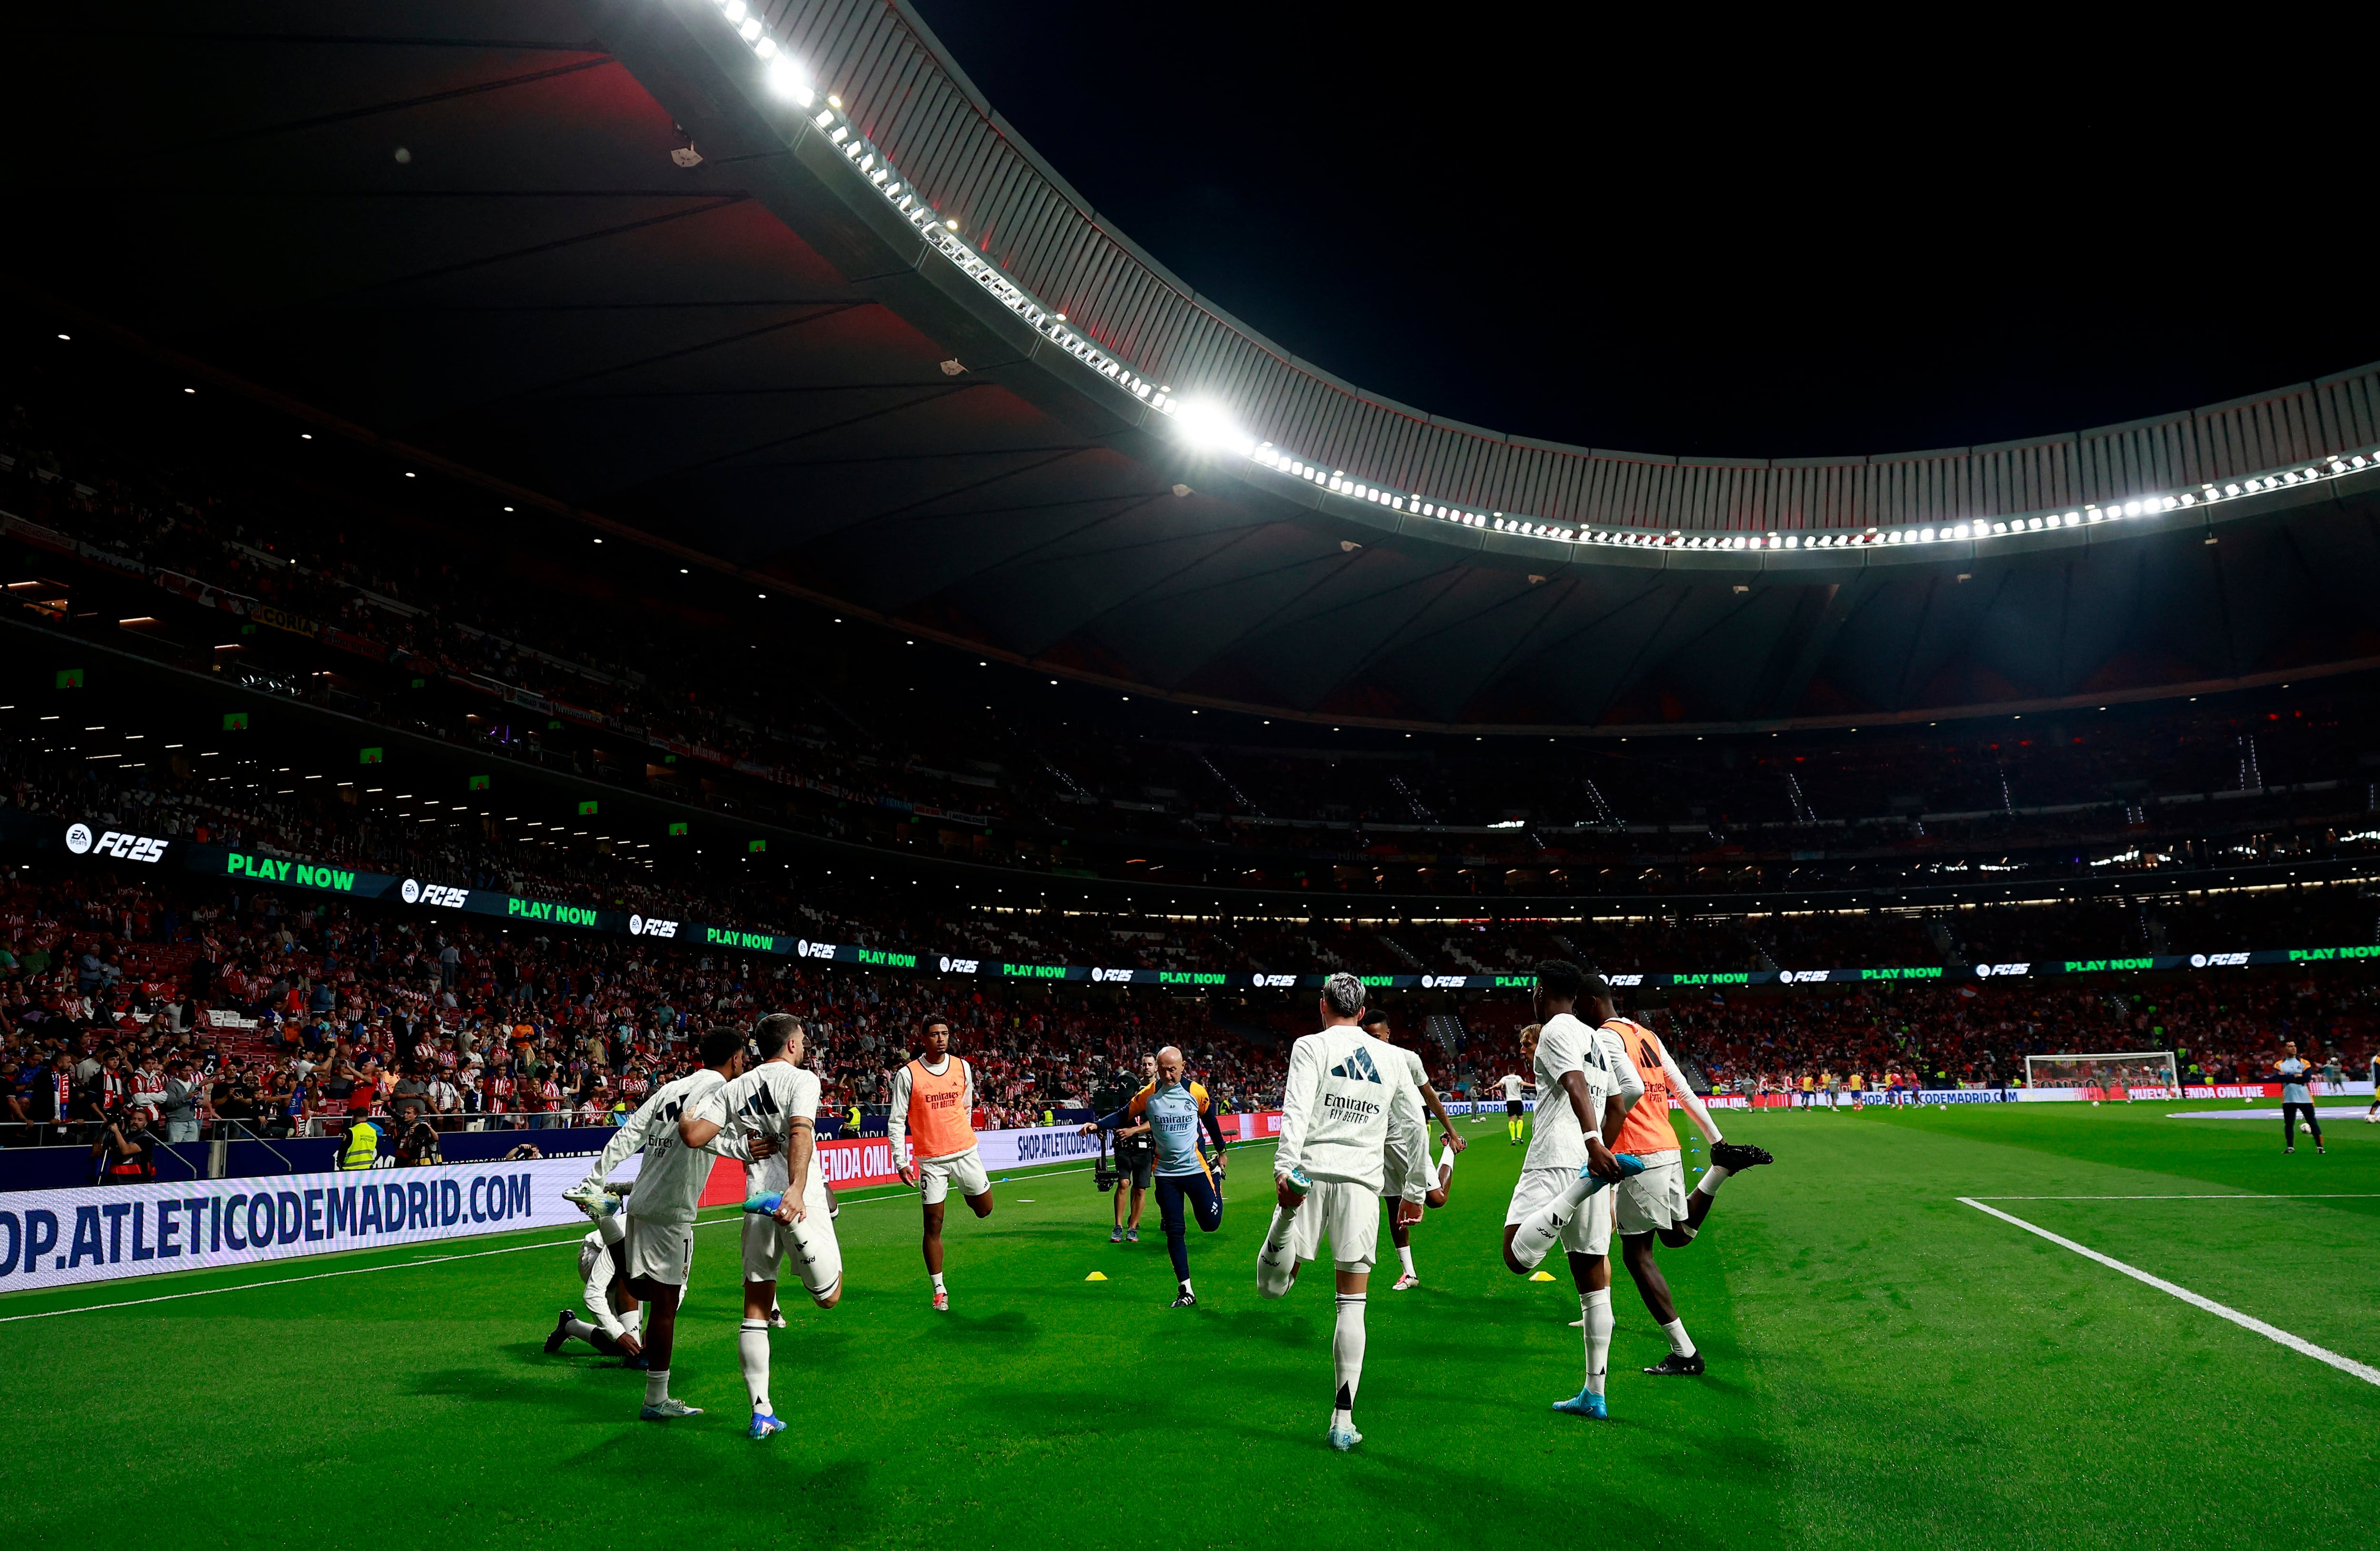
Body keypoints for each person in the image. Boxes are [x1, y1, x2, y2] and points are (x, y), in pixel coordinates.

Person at [1255, 972, 1428, 1452]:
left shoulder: (1310, 1046)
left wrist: (1285, 1168)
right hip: (1360, 1185)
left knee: (1271, 1289)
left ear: (1322, 1005)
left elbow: (1295, 1109)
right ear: (1362, 1007)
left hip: (1309, 1174)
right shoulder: (1393, 1058)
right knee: (1351, 1304)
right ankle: (1342, 1419)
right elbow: (1415, 1127)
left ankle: (1288, 1216)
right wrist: (1414, 1189)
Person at [573, 1025, 770, 1421]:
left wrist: (594, 1177)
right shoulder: (723, 1092)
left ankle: (606, 1216)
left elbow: (629, 1133)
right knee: (665, 1307)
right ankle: (656, 1401)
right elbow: (707, 1139)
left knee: (639, 1284)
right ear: (735, 1058)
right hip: (672, 1211)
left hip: (643, 1204)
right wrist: (743, 1150)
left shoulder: (670, 1089)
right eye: (742, 1058)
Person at [1499, 961, 1646, 1421]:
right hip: (1591, 1159)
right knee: (1592, 1284)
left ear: (1541, 991)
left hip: (1559, 1158)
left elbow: (1574, 1083)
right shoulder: (1597, 1038)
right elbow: (1625, 1097)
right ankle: (1595, 1394)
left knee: (1515, 1256)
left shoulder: (1556, 1030)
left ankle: (1584, 1186)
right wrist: (1603, 1146)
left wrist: (1591, 1146)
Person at [695, 1013, 843, 1442]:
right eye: (803, 1039)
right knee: (829, 1296)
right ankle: (795, 1226)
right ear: (793, 1045)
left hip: (755, 1196)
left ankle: (761, 1411)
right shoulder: (804, 1080)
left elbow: (695, 1135)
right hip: (797, 1197)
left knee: (756, 1305)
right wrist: (795, 1189)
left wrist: (734, 1144)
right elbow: (800, 1133)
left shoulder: (736, 1085)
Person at [1606, 1007, 1774, 1376]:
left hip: (1636, 1150)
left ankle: (1685, 1353)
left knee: (1637, 1255)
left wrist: (1599, 1142)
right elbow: (1681, 1087)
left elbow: (1626, 1092)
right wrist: (1717, 1141)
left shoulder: (1605, 1036)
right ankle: (1719, 1171)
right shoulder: (1647, 1036)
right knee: (1676, 1235)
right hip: (1667, 1145)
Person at [1084, 1045, 1228, 1306]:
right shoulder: (1148, 1095)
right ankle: (1186, 1290)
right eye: (1162, 1070)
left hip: (1196, 1170)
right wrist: (1098, 1124)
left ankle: (1216, 1177)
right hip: (1166, 1174)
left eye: (1172, 1069)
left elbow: (1210, 1120)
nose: (1167, 1075)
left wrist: (1221, 1151)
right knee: (1175, 1232)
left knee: (1210, 1224)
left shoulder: (1196, 1092)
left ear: (1183, 1066)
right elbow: (1123, 1114)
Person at [887, 1015, 993, 1312]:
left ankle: (963, 1188)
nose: (941, 1039)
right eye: (934, 1034)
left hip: (964, 1153)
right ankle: (939, 1289)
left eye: (945, 1033)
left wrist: (961, 1133)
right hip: (931, 1160)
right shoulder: (908, 1075)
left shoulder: (962, 1067)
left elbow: (967, 1104)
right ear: (923, 1038)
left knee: (985, 1210)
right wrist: (901, 1161)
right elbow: (896, 1121)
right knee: (933, 1224)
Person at [1358, 1009, 1465, 1291]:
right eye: (1367, 1036)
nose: (1373, 1042)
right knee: (1395, 1208)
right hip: (1379, 1147)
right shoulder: (1358, 1063)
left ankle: (1449, 1153)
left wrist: (1452, 1133)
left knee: (1436, 1200)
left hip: (1407, 1143)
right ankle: (1409, 1273)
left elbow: (1429, 1095)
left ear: (1388, 1034)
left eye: (1377, 1036)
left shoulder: (1407, 1059)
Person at [544, 1211, 646, 1367]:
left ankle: (570, 1325)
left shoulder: (678, 1232)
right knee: (630, 1269)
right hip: (593, 1255)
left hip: (626, 1264)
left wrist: (653, 1329)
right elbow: (593, 1293)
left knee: (617, 1345)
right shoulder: (628, 1233)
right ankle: (636, 1357)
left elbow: (677, 1287)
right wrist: (620, 1335)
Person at [1091, 1054, 1157, 1243]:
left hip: (1145, 1146)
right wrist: (1100, 1126)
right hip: (1124, 1145)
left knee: (1141, 1189)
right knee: (1124, 1183)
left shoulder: (1152, 1095)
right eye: (1144, 1064)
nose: (1146, 1067)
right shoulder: (1124, 1095)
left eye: (1150, 1064)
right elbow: (1115, 1116)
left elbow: (1155, 1122)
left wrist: (1134, 1131)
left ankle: (1133, 1228)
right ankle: (1119, 1226)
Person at [2275, 1042, 2323, 1154]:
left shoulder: (2304, 1063)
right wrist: (2295, 1076)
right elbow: (2279, 1078)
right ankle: (2290, 1147)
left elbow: (2306, 1078)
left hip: (2305, 1098)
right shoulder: (2279, 1064)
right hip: (2288, 1098)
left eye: (2295, 1046)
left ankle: (2320, 1147)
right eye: (2290, 1046)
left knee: (2312, 1122)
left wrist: (2288, 1077)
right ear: (2285, 1049)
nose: (2294, 1048)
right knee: (2289, 1123)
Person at [336, 1107, 380, 1171]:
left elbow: (343, 1151)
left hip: (350, 1169)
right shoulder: (374, 1131)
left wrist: (340, 1164)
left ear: (353, 1117)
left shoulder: (351, 1132)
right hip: (367, 1168)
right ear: (367, 1117)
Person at [1497, 1066, 1531, 1143]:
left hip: (1510, 1101)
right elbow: (1523, 1083)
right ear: (1515, 1071)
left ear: (1508, 1071)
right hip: (1518, 1100)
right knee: (1520, 1118)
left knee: (1512, 1119)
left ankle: (1513, 1139)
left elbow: (1498, 1085)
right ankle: (1519, 1136)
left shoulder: (1505, 1078)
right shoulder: (1518, 1078)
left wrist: (1491, 1088)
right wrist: (1534, 1085)